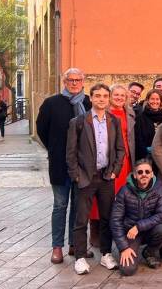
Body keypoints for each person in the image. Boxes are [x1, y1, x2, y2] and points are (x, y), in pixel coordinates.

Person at [66, 83, 126, 275]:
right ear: (90, 98)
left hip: (106, 176)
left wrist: (115, 170)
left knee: (107, 217)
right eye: (97, 96)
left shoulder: (113, 121)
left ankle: (106, 254)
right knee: (81, 218)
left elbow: (119, 149)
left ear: (108, 99)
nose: (101, 99)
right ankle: (81, 257)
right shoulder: (79, 121)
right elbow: (71, 152)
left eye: (104, 96)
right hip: (85, 177)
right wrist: (76, 175)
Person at [36, 67, 91, 264]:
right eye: (70, 80)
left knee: (78, 207)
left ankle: (75, 245)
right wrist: (54, 149)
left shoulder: (88, 102)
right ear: (64, 82)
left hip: (82, 166)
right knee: (60, 206)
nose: (74, 83)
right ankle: (57, 247)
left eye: (77, 80)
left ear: (83, 82)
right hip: (60, 165)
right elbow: (41, 129)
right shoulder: (52, 103)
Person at [87, 84, 136, 250]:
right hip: (108, 159)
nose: (120, 98)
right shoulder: (103, 113)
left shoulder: (130, 113)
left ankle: (115, 231)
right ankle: (95, 230)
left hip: (125, 161)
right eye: (116, 95)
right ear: (110, 96)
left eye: (123, 95)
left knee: (120, 197)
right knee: (100, 196)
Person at [110, 160, 162, 274]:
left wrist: (138, 227)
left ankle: (149, 252)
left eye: (147, 172)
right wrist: (123, 247)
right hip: (130, 234)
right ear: (134, 175)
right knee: (127, 270)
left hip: (148, 230)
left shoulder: (159, 188)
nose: (144, 174)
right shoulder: (124, 191)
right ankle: (131, 251)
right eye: (140, 172)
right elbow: (115, 221)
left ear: (152, 174)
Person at [135, 89, 162, 164]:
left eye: (157, 99)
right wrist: (147, 151)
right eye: (152, 99)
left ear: (161, 101)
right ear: (148, 100)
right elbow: (138, 138)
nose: (155, 102)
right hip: (146, 158)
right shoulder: (140, 117)